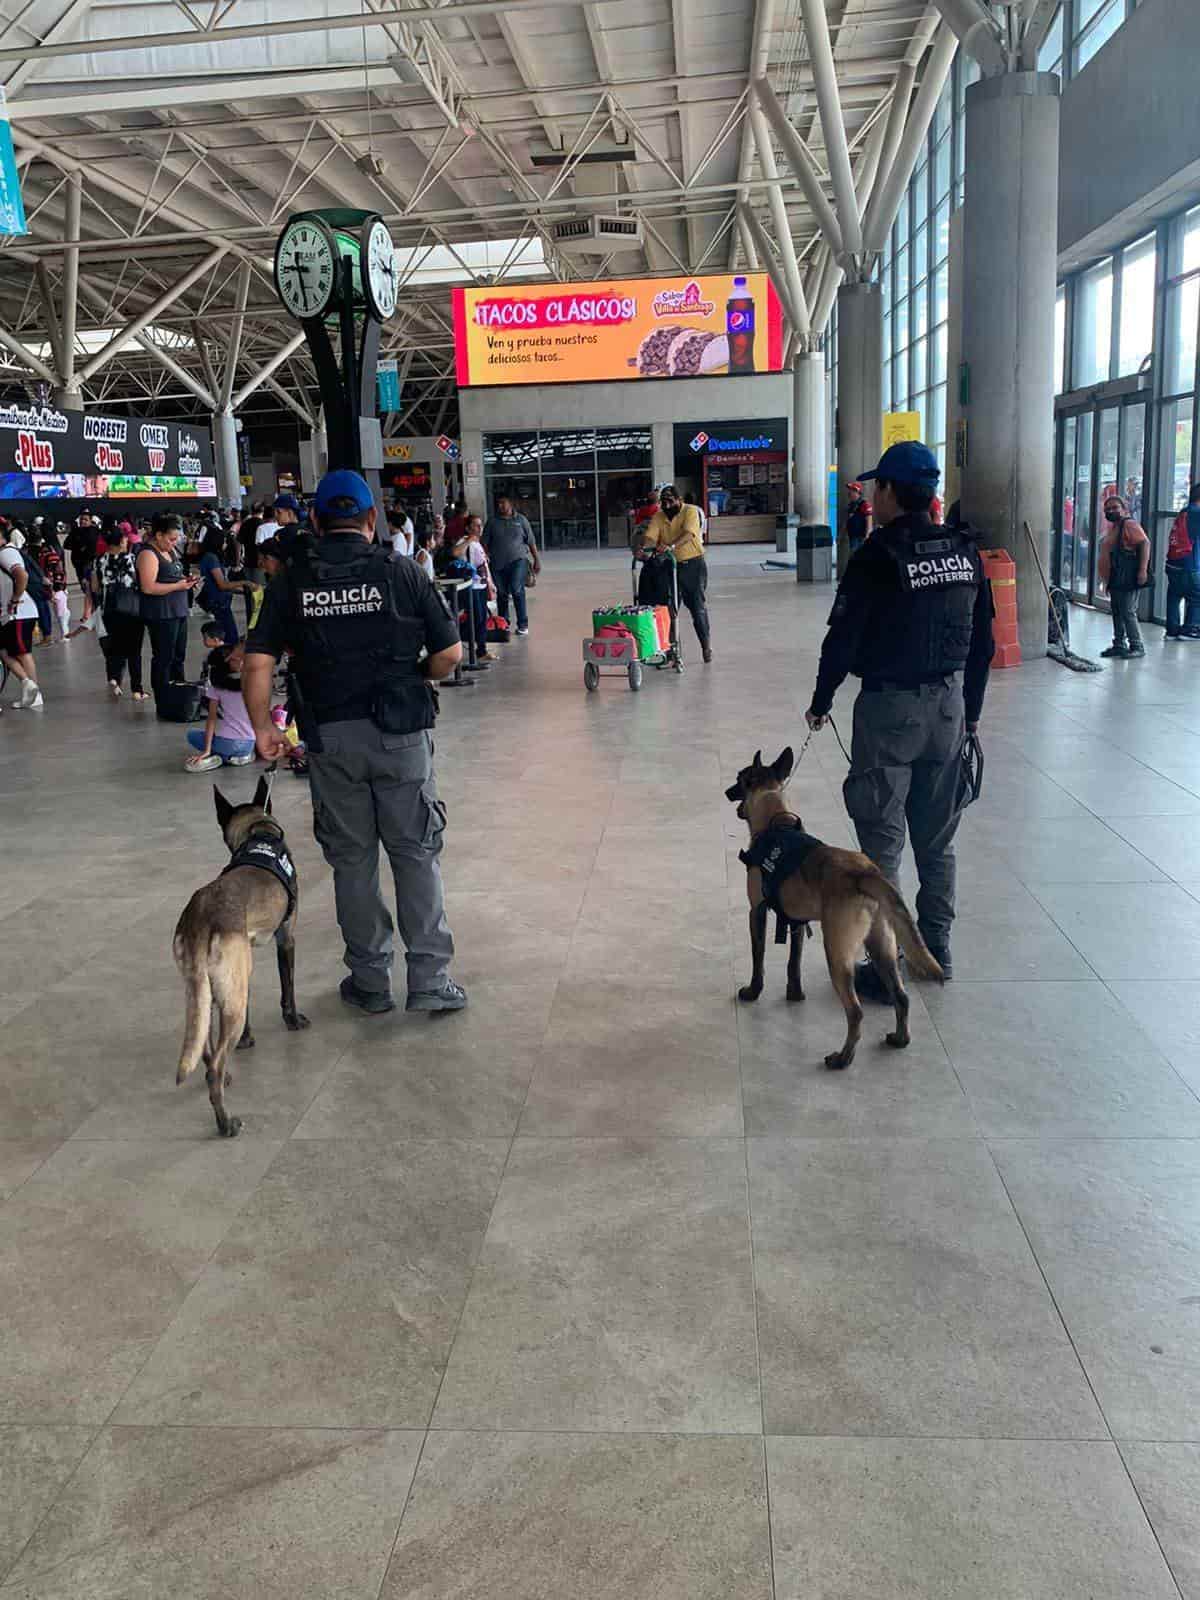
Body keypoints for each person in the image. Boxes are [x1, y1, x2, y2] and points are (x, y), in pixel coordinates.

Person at [242, 468, 466, 1016]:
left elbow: (257, 662)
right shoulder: (402, 570)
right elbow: (450, 655)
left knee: (353, 862)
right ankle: (430, 982)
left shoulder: (292, 579)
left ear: (317, 521)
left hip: (330, 740)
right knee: (415, 855)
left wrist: (264, 729)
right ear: (372, 520)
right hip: (401, 738)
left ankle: (369, 982)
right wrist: (416, 673)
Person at [804, 440, 994, 985]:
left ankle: (887, 968)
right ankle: (936, 951)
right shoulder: (964, 551)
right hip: (950, 708)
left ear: (889, 491)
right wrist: (971, 714)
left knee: (881, 846)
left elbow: (843, 639)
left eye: (875, 486)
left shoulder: (879, 555)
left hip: (890, 710)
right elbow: (981, 644)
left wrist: (821, 702)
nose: (870, 494)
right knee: (937, 841)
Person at [641, 481, 712, 662]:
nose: (666, 505)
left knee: (697, 607)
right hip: (669, 566)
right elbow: (650, 535)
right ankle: (671, 648)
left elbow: (689, 534)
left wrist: (671, 546)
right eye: (663, 502)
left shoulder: (690, 512)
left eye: (670, 501)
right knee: (669, 608)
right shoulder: (659, 516)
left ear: (679, 500)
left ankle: (706, 646)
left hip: (692, 565)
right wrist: (645, 549)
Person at [138, 511, 198, 714]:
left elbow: (174, 576)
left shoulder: (170, 552)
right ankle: (163, 700)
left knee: (178, 656)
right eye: (171, 539)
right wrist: (178, 587)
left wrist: (187, 582)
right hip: (162, 614)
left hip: (178, 610)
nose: (174, 543)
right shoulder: (148, 554)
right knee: (164, 657)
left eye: (176, 539)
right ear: (159, 535)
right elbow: (148, 587)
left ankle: (179, 696)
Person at [185, 643, 257, 771]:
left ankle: (219, 757)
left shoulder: (216, 688)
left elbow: (211, 719)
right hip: (249, 743)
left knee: (192, 735)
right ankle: (238, 757)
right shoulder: (252, 683)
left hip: (226, 743)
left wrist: (206, 750)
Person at [94, 525, 147, 700]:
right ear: (120, 541)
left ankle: (115, 679)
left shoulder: (98, 560)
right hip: (131, 609)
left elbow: (95, 587)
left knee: (115, 648)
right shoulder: (131, 558)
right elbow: (140, 582)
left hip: (109, 610)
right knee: (134, 651)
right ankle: (137, 690)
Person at [1098, 492, 1150, 659]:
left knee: (1127, 611)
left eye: (1115, 507)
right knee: (1117, 610)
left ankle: (1137, 646)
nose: (1111, 511)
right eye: (1107, 509)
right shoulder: (1115, 527)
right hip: (1116, 576)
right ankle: (1119, 644)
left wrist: (1142, 570)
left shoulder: (1129, 524)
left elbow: (1144, 543)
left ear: (1124, 509)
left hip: (1127, 575)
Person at [482, 493, 540, 637]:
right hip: (497, 564)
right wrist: (485, 558)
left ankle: (523, 624)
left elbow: (531, 541)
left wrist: (536, 559)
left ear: (511, 503)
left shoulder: (521, 520)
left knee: (516, 588)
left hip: (518, 561)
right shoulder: (492, 522)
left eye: (503, 502)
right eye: (498, 503)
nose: (500, 506)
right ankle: (504, 623)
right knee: (501, 594)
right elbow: (484, 543)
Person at [0, 522, 44, 710]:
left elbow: (22, 576)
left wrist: (15, 600)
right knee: (6, 651)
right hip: (12, 613)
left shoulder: (6, 553)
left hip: (19, 612)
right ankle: (29, 686)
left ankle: (34, 693)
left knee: (22, 652)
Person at [197, 525, 251, 646]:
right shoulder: (212, 559)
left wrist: (243, 590)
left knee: (228, 636)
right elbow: (222, 585)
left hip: (219, 601)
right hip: (219, 602)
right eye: (225, 541)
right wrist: (245, 583)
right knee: (230, 639)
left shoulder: (210, 557)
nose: (226, 544)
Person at [460, 513, 498, 662]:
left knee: (481, 619)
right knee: (476, 619)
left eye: (480, 525)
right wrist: (468, 539)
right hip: (472, 587)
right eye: (476, 525)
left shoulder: (477, 543)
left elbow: (484, 566)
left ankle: (481, 650)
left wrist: (490, 583)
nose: (479, 528)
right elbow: (455, 553)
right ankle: (477, 649)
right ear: (468, 528)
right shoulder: (465, 541)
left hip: (481, 586)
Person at [1165, 482, 1200, 641]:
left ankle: (1172, 630)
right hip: (1188, 563)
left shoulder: (1184, 512)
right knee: (1196, 597)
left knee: (1174, 595)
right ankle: (1190, 629)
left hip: (1173, 562)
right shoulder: (1196, 513)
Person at [64, 508, 99, 597]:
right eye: (81, 519)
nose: (83, 522)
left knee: (92, 589)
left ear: (91, 521)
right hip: (78, 564)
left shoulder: (95, 531)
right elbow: (66, 545)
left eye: (85, 520)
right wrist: (78, 546)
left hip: (91, 563)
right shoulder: (75, 532)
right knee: (85, 588)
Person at [846, 481, 872, 554]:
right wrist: (841, 535)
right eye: (849, 490)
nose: (849, 493)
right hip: (852, 537)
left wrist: (867, 537)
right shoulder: (851, 505)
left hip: (860, 538)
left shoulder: (864, 504)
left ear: (857, 492)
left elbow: (869, 521)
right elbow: (847, 520)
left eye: (851, 490)